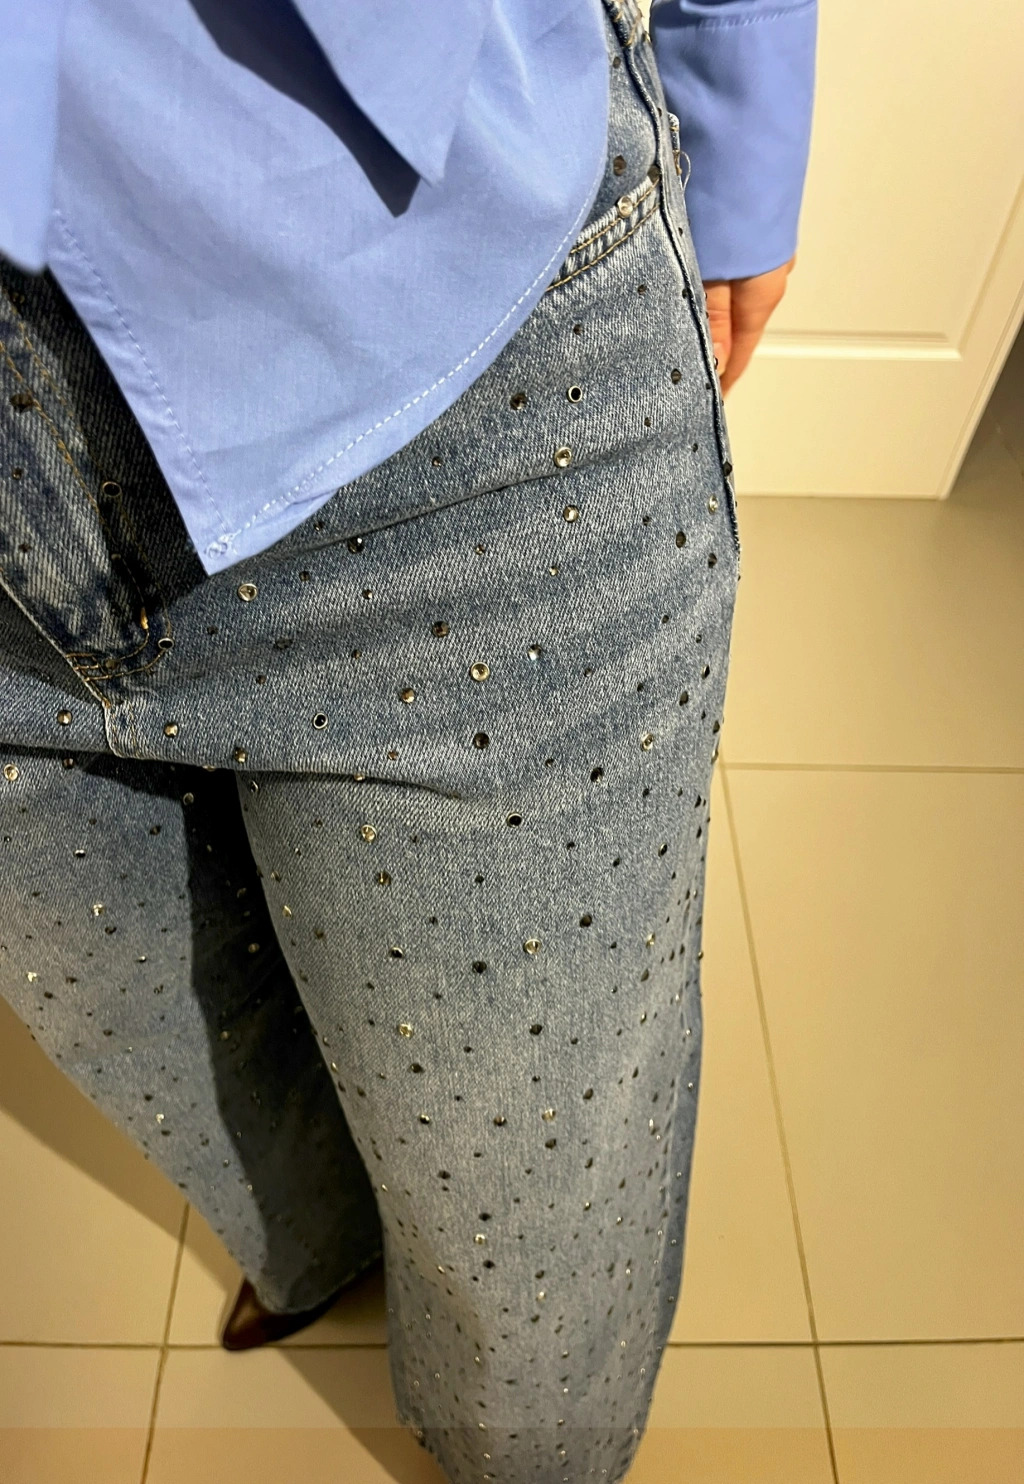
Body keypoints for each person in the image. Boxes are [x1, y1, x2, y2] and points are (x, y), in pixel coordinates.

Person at [0, 1, 815, 1479]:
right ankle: (323, 1249)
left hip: (440, 358)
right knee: (176, 1045)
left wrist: (740, 103)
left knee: (531, 1210)